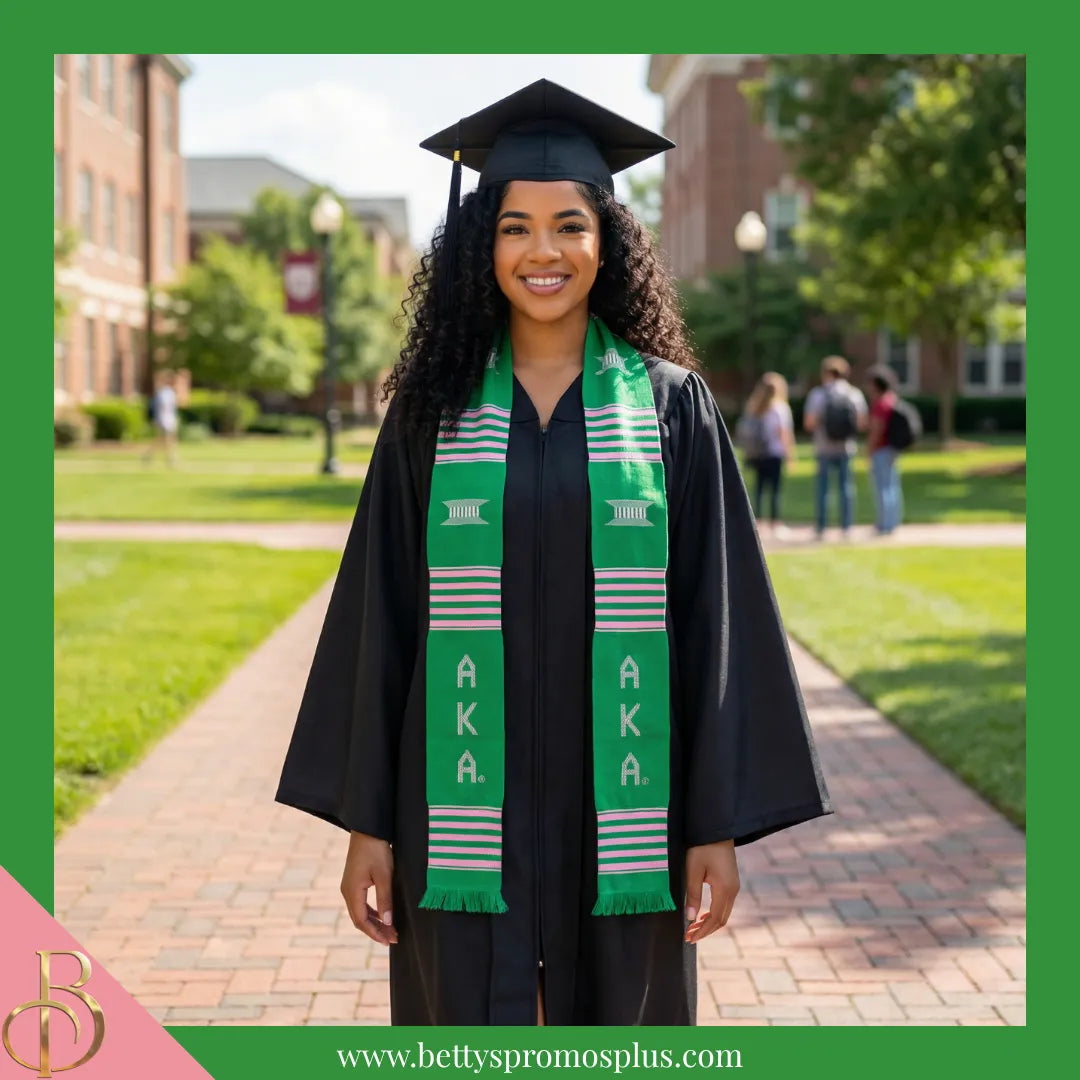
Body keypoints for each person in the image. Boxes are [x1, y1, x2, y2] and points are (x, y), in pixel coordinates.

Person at [275, 79, 831, 1027]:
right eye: (514, 227)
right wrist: (368, 822)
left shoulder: (670, 407)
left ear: (608, 240)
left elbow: (713, 618)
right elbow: (383, 621)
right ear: (479, 246)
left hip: (625, 803)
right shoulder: (430, 414)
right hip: (457, 810)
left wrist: (713, 826)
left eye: (569, 225)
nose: (544, 252)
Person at [802, 356, 868, 539]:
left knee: (823, 489)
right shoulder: (854, 394)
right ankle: (846, 527)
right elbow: (862, 423)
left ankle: (822, 527)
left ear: (826, 373)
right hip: (846, 447)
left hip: (823, 447)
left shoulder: (818, 394)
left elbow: (809, 423)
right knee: (846, 488)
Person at [737, 372, 795, 539]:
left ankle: (759, 522)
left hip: (758, 454)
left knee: (759, 489)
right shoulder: (780, 409)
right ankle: (775, 523)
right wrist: (790, 455)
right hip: (774, 454)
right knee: (775, 489)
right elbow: (784, 434)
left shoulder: (754, 406)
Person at [865, 365, 903, 535]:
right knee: (892, 486)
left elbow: (876, 430)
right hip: (892, 449)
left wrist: (869, 449)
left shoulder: (880, 404)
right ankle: (892, 521)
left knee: (882, 487)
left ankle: (885, 524)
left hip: (881, 449)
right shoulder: (892, 399)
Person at [143, 370, 179, 467]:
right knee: (164, 439)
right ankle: (170, 458)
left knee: (167, 439)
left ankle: (151, 455)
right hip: (164, 419)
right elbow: (160, 407)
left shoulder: (170, 392)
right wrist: (158, 419)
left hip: (169, 418)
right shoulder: (163, 393)